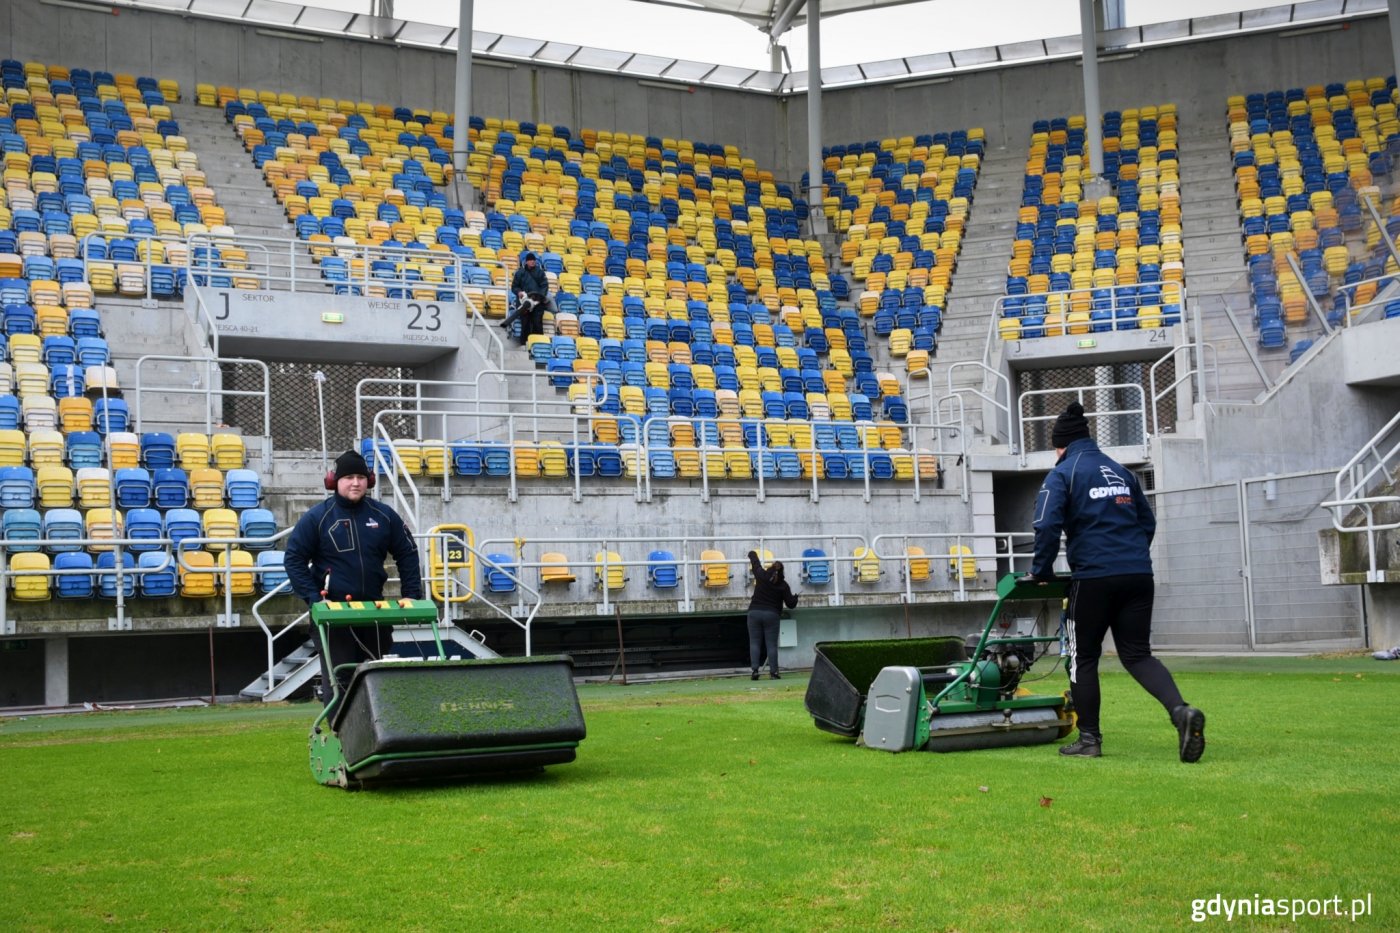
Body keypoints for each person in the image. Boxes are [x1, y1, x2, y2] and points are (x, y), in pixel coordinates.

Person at [1030, 401, 1205, 763]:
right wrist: (1129, 557)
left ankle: (1089, 740)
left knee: (1083, 657)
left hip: (1093, 578)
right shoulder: (1121, 472)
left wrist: (1042, 571)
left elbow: (1046, 525)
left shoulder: (1063, 473)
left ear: (1060, 446)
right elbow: (1148, 523)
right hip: (1139, 575)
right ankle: (1180, 712)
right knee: (1138, 655)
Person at [285, 450, 425, 711]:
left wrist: (411, 594)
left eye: (361, 476)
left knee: (374, 677)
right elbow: (293, 560)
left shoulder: (384, 516)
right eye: (348, 477)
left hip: (374, 614)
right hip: (332, 616)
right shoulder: (317, 518)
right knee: (340, 680)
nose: (355, 482)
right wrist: (315, 600)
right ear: (334, 482)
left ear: (369, 481)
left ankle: (376, 735)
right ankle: (341, 738)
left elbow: (407, 553)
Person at [747, 550, 799, 680]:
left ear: (770, 568)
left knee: (754, 643)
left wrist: (752, 554)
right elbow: (791, 604)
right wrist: (796, 597)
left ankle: (754, 671)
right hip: (772, 615)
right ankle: (774, 673)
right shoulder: (783, 585)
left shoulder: (761, 576)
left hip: (754, 613)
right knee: (771, 645)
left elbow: (756, 564)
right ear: (782, 573)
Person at [500, 251, 555, 344]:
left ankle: (538, 344)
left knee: (537, 323)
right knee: (525, 323)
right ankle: (524, 344)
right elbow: (514, 286)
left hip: (537, 303)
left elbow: (544, 286)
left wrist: (538, 297)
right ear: (526, 261)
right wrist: (519, 292)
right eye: (530, 260)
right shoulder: (520, 272)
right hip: (523, 302)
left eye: (533, 260)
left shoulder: (540, 272)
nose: (532, 262)